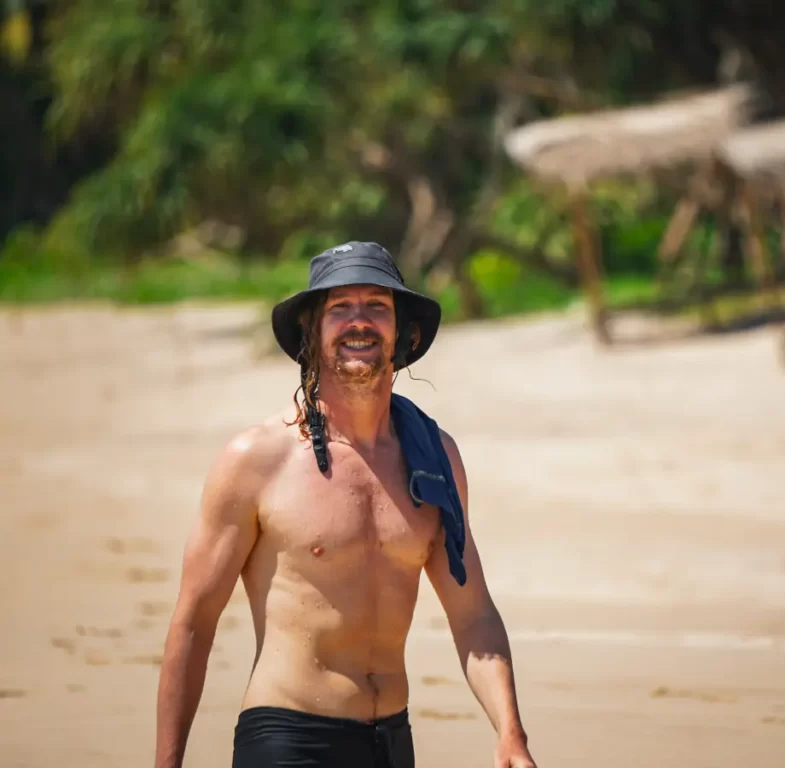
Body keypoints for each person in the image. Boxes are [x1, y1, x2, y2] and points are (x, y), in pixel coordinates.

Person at [154, 242, 537, 768]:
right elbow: (194, 620)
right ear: (312, 333)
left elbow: (473, 615)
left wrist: (510, 733)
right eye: (340, 309)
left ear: (405, 332)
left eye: (377, 306)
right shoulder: (257, 460)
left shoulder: (433, 459)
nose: (360, 321)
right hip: (289, 739)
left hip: (391, 745)